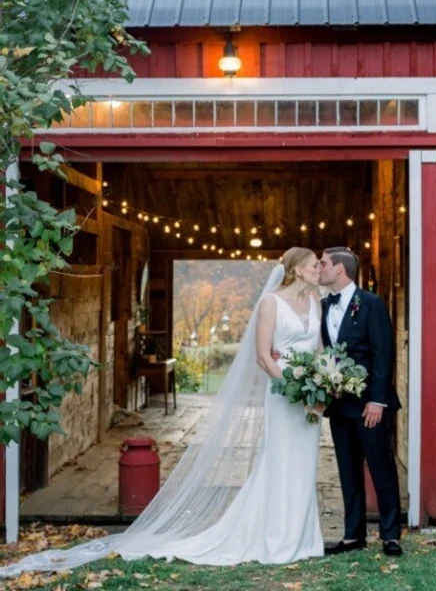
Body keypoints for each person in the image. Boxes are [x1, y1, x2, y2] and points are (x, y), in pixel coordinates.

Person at [0, 247, 324, 577]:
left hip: (309, 400)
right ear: (298, 269)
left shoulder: (315, 303)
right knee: (279, 461)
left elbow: (320, 350)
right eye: (315, 265)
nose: (320, 269)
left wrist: (320, 385)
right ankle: (275, 537)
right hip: (283, 394)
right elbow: (263, 356)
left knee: (303, 463)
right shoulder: (271, 303)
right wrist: (291, 387)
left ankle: (304, 538)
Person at [318, 246, 402, 557]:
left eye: (323, 263)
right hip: (339, 405)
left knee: (381, 467)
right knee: (347, 470)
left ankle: (391, 535)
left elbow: (384, 354)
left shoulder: (371, 303)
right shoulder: (323, 306)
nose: (319, 268)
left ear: (339, 269)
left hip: (370, 405)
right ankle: (353, 535)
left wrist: (377, 401)